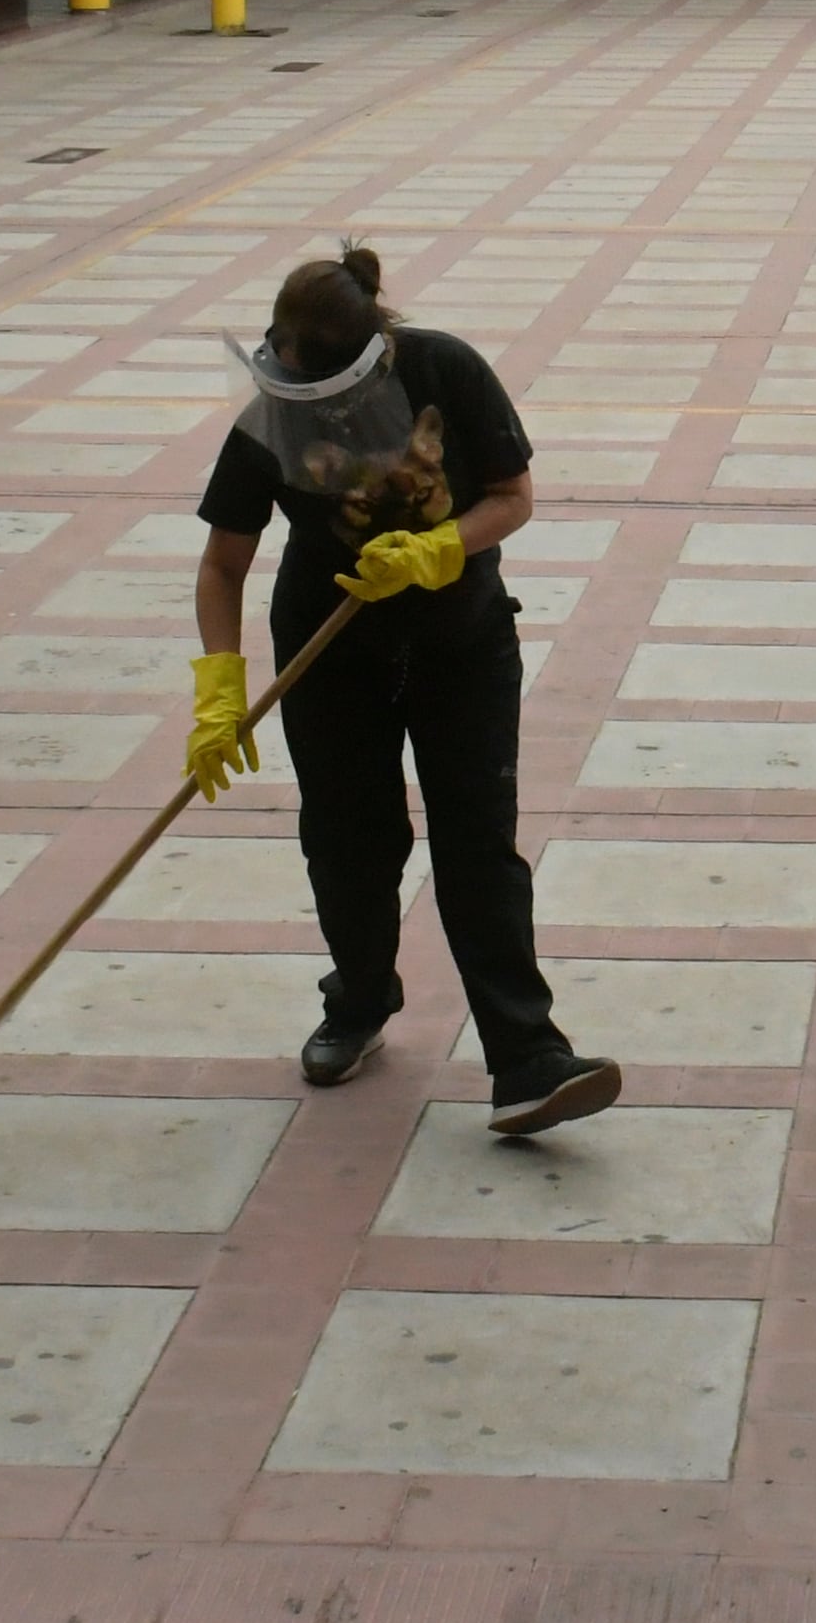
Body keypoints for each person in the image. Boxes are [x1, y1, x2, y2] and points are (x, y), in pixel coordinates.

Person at [191, 248, 619, 1136]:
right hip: (328, 644)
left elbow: (512, 496)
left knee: (476, 841)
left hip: (460, 641)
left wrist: (437, 548)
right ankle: (356, 1000)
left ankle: (528, 1056)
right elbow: (224, 559)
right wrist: (219, 686)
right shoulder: (269, 414)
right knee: (348, 840)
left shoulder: (444, 368)